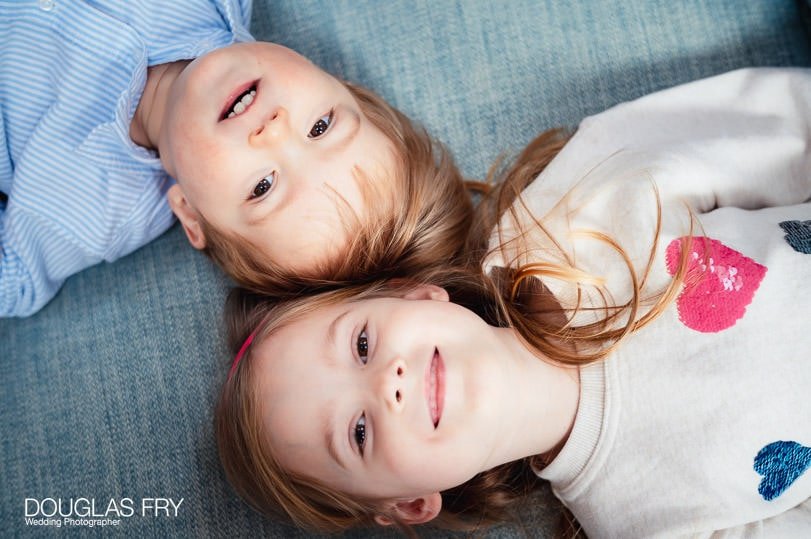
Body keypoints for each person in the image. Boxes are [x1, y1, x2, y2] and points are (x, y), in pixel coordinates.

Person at [214, 67, 811, 537]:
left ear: (414, 295)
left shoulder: (560, 223)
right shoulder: (647, 523)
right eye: (360, 432)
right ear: (412, 503)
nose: (387, 384)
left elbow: (763, 131)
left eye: (362, 344)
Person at [0, 0, 472, 316]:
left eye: (263, 187)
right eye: (321, 126)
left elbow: (16, 281)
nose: (274, 130)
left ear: (190, 213)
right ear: (330, 78)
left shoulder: (88, 211)